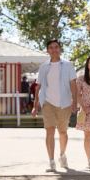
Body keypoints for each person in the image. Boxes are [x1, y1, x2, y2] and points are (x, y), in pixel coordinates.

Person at [32, 39, 78, 172]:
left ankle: (62, 155)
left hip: (64, 103)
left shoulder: (68, 65)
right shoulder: (44, 67)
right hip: (48, 103)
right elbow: (38, 86)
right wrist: (35, 105)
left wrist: (74, 102)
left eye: (56, 47)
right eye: (51, 47)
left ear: (60, 49)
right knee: (50, 131)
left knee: (63, 132)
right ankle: (51, 161)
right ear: (48, 50)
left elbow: (73, 85)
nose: (54, 49)